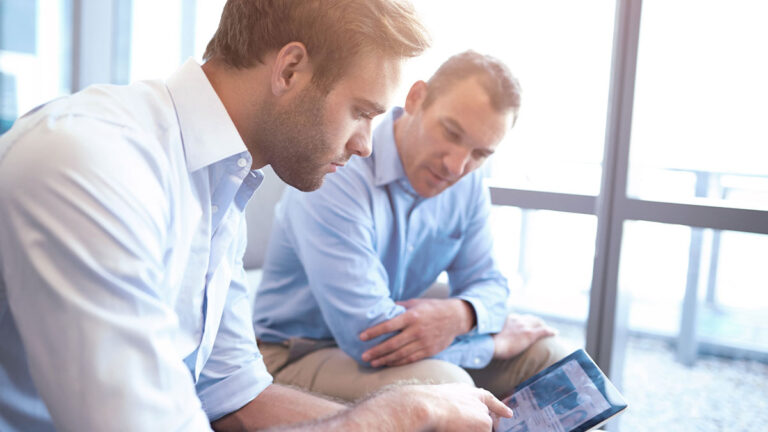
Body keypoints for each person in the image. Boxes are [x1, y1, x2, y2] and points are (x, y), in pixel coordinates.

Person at [0, 2, 514, 431]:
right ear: (290, 69)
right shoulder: (94, 163)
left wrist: (412, 422)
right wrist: (401, 411)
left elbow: (237, 400)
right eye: (361, 112)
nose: (364, 145)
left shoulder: (221, 184)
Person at [253, 50, 571, 402]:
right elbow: (372, 336)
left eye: (480, 153)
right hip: (296, 354)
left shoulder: (467, 186)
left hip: (399, 349)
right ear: (416, 98)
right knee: (447, 389)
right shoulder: (339, 170)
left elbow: (491, 287)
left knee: (554, 361)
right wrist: (491, 344)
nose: (456, 165)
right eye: (451, 132)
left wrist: (462, 315)